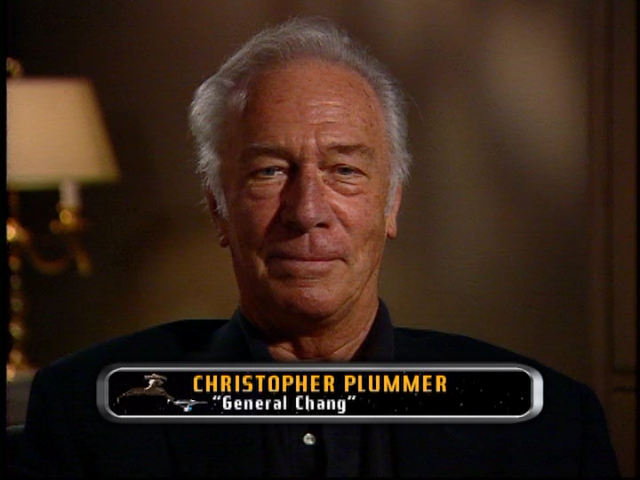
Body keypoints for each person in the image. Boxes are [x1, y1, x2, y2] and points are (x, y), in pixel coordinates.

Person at [9, 17, 619, 477]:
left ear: (391, 203)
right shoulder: (86, 414)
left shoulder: (547, 425)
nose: (306, 212)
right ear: (218, 207)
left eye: (345, 171)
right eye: (269, 171)